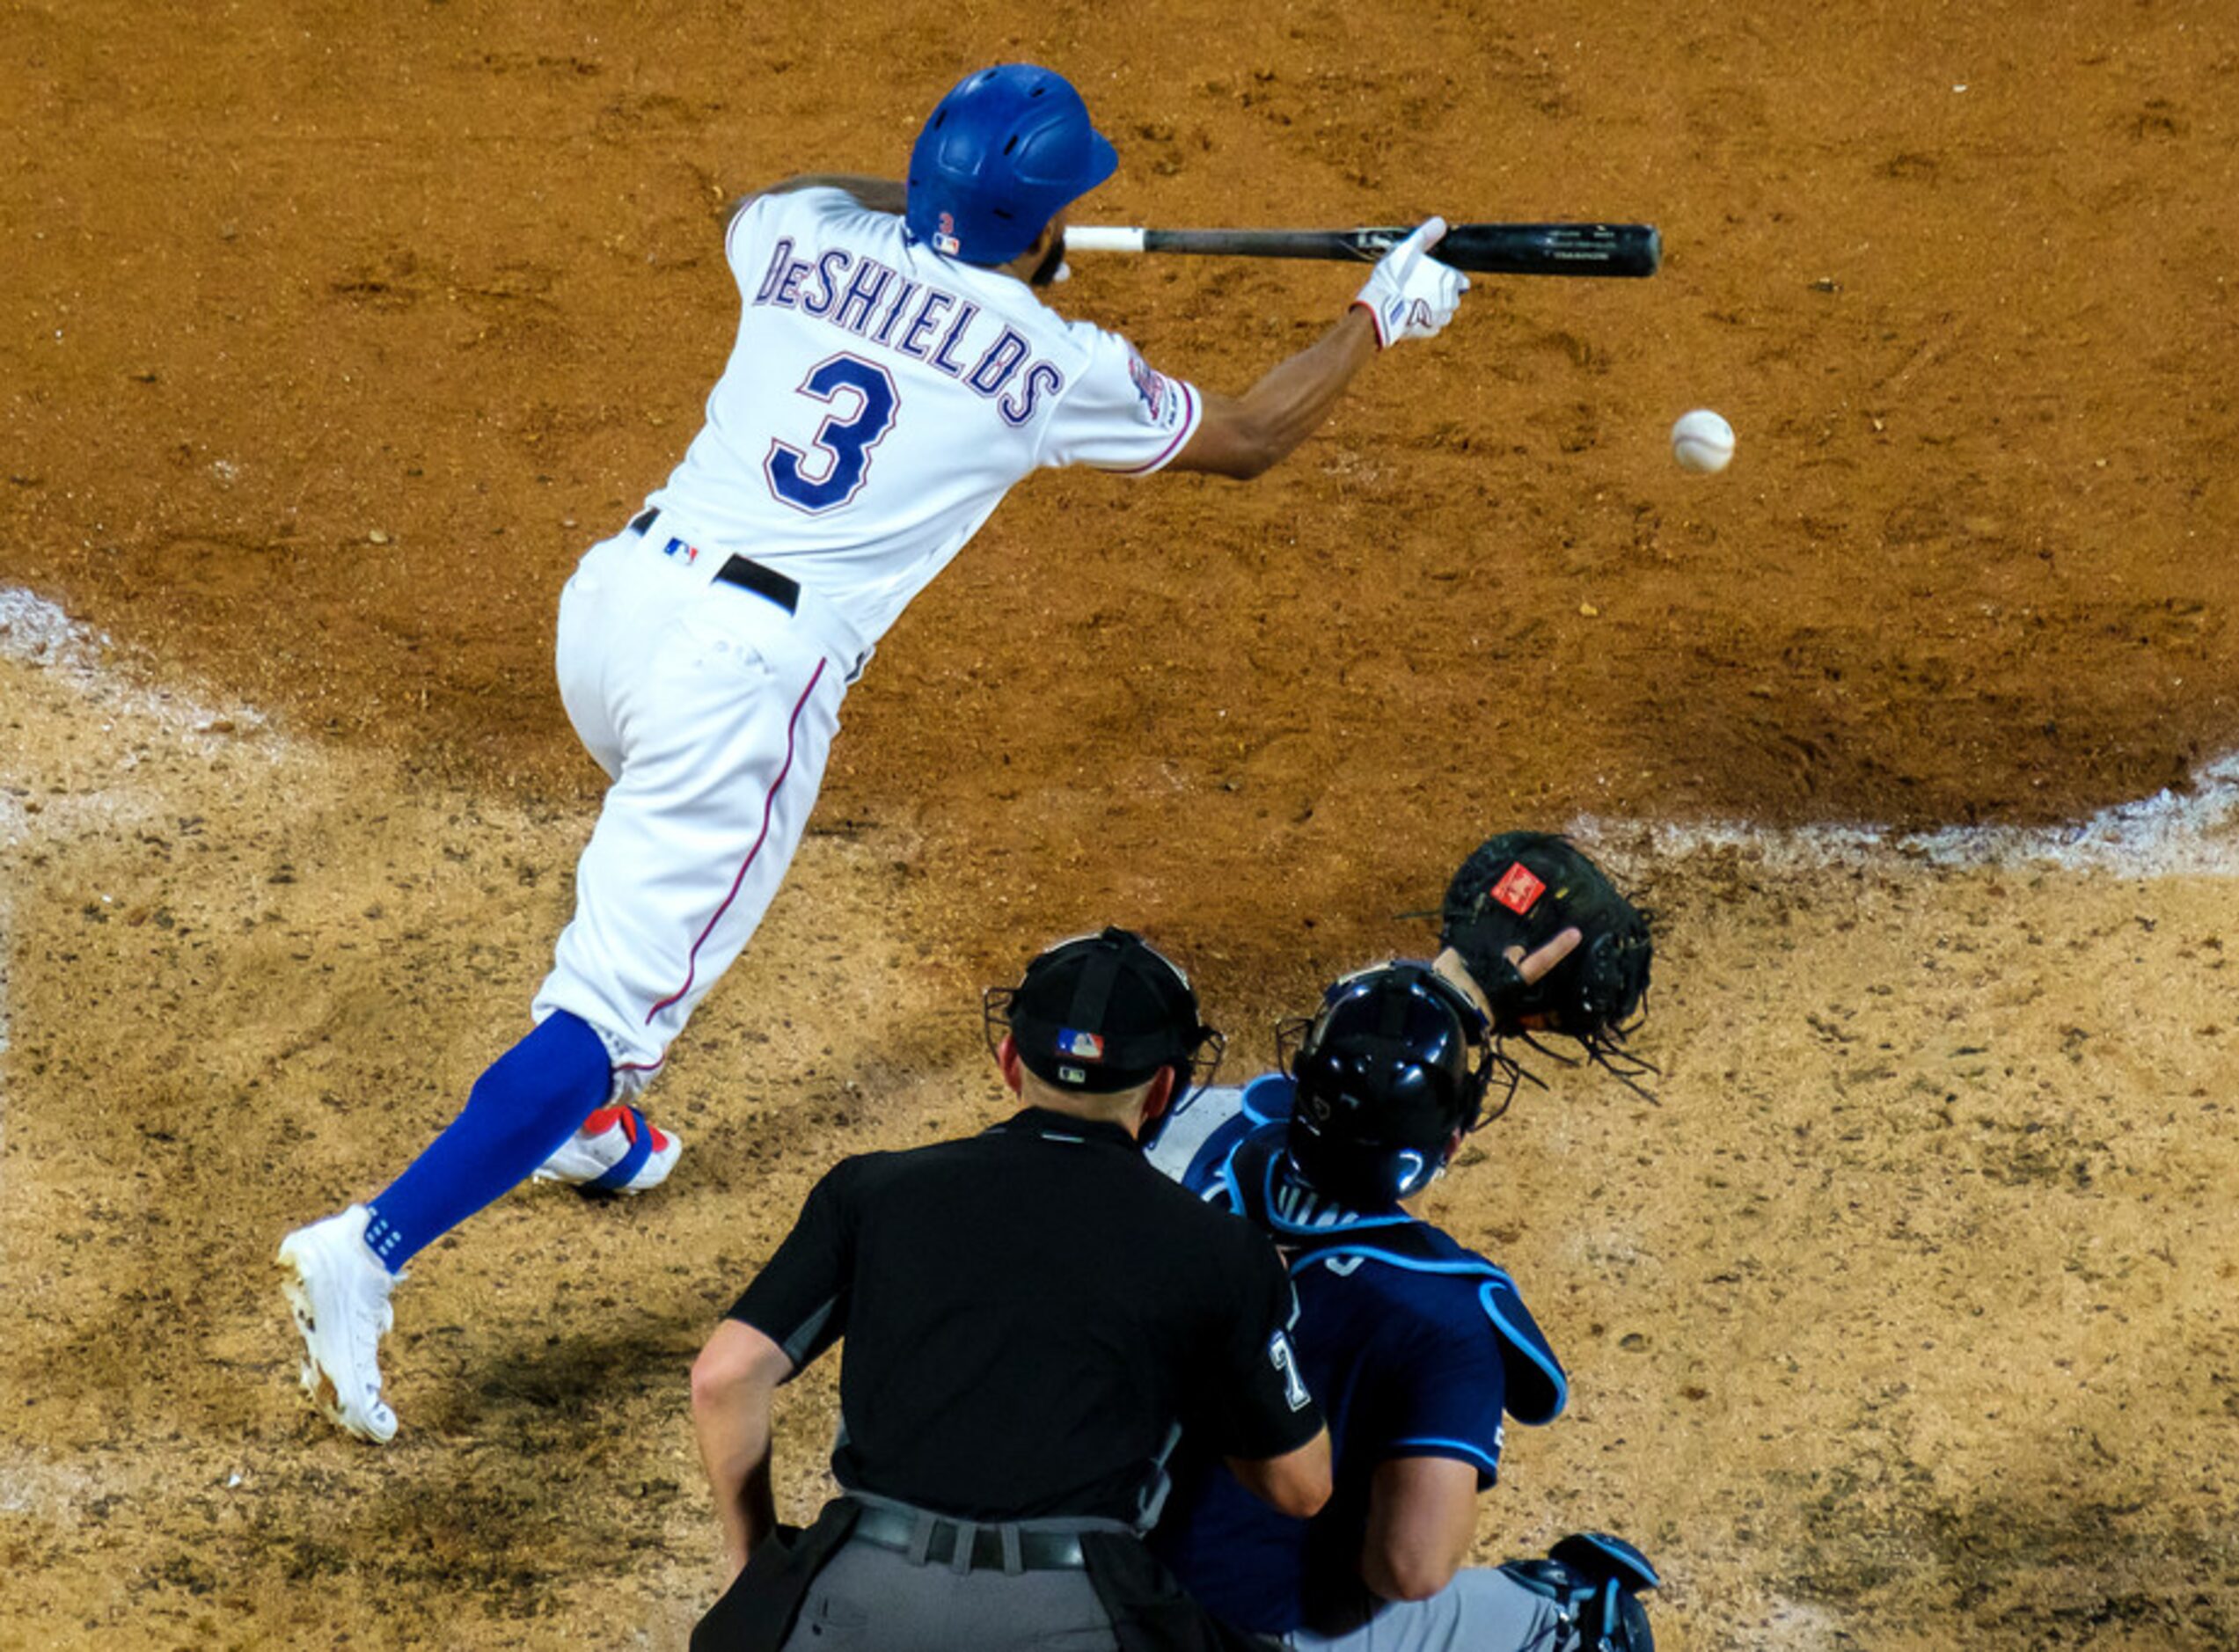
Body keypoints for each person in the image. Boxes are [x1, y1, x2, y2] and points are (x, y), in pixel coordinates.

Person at [274, 62, 1474, 1444]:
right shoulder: (1048, 362)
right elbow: (1253, 434)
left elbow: (787, 198)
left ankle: (587, 1131)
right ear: (1041, 218)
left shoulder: (795, 237)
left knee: (647, 860)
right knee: (611, 1011)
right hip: (740, 682)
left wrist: (961, 226)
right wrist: (1382, 316)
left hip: (613, 613)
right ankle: (369, 1248)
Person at [686, 927, 1331, 1651]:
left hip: (852, 1604)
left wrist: (758, 1572)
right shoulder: (1220, 1249)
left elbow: (723, 1377)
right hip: (1078, 1609)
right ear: (1163, 1091)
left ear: (1008, 1060)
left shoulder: (871, 1191)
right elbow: (1300, 1488)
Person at [1143, 958, 1660, 1652]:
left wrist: (1462, 978)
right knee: (1584, 1619)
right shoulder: (1444, 1311)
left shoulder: (1206, 1151)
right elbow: (1409, 1569)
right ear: (1449, 1143)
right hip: (1232, 1634)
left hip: (1088, 1580)